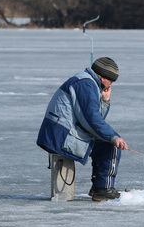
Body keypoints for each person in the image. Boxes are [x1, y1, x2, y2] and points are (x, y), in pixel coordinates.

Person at [37, 57, 128, 201]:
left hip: (60, 133)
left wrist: (104, 101)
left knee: (106, 140)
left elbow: (94, 119)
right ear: (103, 78)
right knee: (111, 144)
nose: (111, 84)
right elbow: (92, 120)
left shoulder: (87, 82)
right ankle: (102, 189)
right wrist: (114, 137)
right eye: (111, 81)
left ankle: (99, 187)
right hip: (60, 136)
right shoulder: (86, 85)